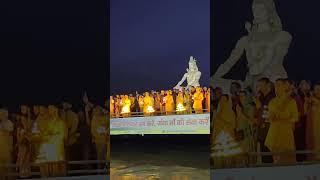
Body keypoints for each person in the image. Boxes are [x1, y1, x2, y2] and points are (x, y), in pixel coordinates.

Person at [265, 79, 298, 164]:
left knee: (288, 161)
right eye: (275, 86)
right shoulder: (272, 102)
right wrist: (283, 114)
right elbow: (271, 117)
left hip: (286, 133)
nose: (277, 88)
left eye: (279, 85)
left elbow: (295, 117)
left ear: (284, 86)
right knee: (276, 161)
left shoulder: (292, 101)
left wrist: (284, 118)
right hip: (274, 134)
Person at [306, 83, 320, 161]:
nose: (318, 91)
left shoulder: (315, 101)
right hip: (311, 132)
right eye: (316, 90)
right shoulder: (310, 102)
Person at [0, 109, 14, 179]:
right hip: (1, 148)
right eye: (0, 114)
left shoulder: (9, 123)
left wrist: (10, 146)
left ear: (6, 115)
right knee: (1, 167)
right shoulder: (0, 124)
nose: (1, 115)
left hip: (7, 148)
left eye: (2, 114)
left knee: (8, 167)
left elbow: (10, 135)